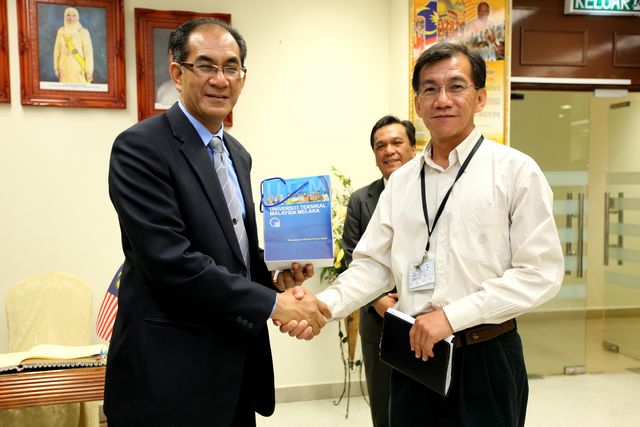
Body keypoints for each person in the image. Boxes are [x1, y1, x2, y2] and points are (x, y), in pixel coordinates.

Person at [284, 42, 564, 426]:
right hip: (414, 357)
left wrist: (451, 317)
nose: (442, 99)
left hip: (486, 357)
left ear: (481, 97)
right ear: (417, 103)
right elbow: (373, 265)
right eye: (430, 89)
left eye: (456, 86)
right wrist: (323, 305)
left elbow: (540, 273)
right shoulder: (401, 182)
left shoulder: (515, 172)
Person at [105, 18, 330, 427]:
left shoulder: (237, 155)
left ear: (243, 78)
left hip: (237, 371)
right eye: (206, 65)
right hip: (169, 379)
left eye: (231, 68)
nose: (220, 80)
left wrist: (274, 276)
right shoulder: (140, 148)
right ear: (177, 73)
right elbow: (171, 261)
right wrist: (271, 304)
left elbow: (231, 252)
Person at [341, 115, 416, 427]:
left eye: (397, 142)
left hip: (427, 321)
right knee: (384, 411)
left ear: (413, 148)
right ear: (374, 156)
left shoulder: (433, 193)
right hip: (378, 323)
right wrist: (378, 301)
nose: (389, 151)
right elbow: (351, 256)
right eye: (380, 146)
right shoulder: (361, 200)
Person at [53, 7, 94, 83]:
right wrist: (56, 68)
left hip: (78, 70)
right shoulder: (61, 32)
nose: (71, 18)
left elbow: (88, 53)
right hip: (64, 70)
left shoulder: (83, 32)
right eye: (68, 15)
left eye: (74, 15)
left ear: (77, 17)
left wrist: (89, 71)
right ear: (65, 17)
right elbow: (57, 51)